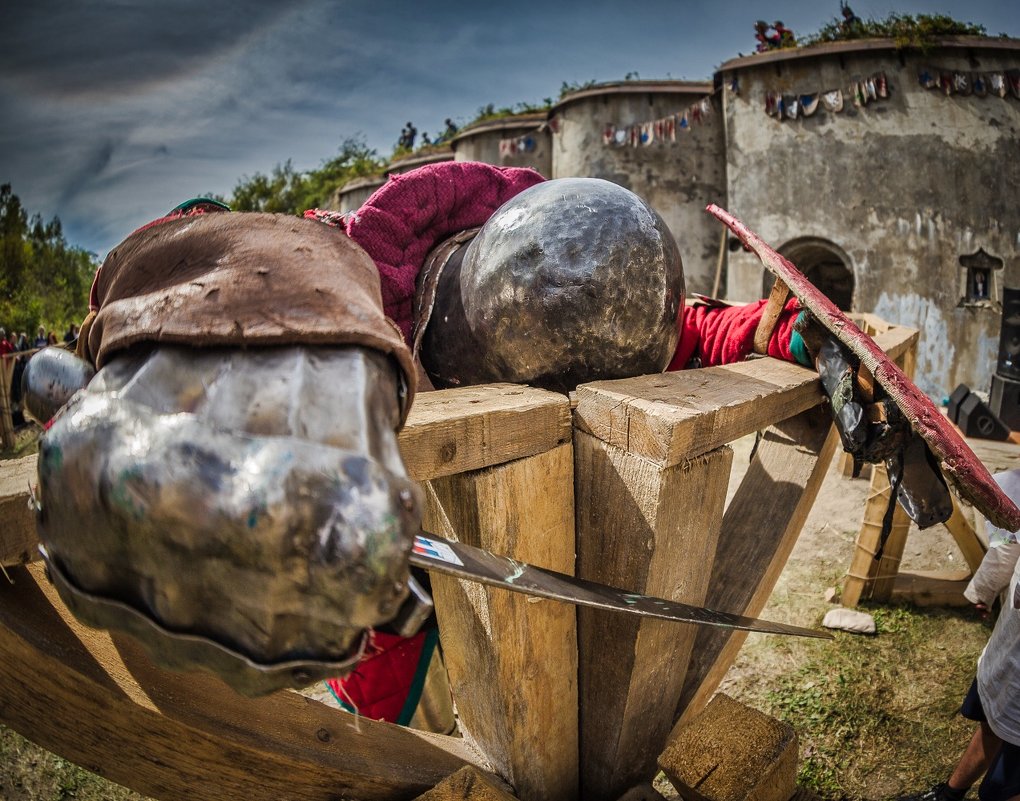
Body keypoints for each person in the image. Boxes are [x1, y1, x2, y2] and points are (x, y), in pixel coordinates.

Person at [897, 469, 1020, 801]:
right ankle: (949, 795)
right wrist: (983, 590)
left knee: (1006, 785)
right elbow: (1008, 543)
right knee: (997, 717)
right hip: (1014, 648)